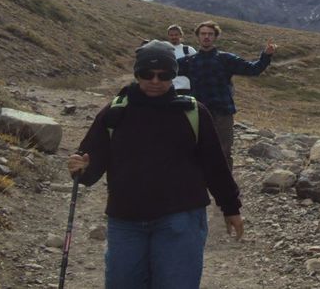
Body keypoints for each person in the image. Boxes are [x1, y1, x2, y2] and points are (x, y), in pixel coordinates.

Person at [67, 40, 243, 289]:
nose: (156, 81)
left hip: (182, 217)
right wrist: (81, 169)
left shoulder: (193, 112)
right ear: (137, 73)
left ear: (174, 75)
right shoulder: (115, 112)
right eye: (147, 74)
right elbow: (90, 163)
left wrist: (230, 207)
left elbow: (214, 165)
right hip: (126, 219)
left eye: (165, 75)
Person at [178, 20, 277, 170]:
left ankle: (226, 189)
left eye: (210, 34)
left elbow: (253, 69)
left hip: (222, 112)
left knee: (224, 151)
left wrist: (266, 56)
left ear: (215, 37)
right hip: (198, 112)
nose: (206, 37)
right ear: (197, 36)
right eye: (203, 34)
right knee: (196, 149)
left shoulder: (226, 59)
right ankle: (199, 187)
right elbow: (165, 70)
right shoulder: (188, 61)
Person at [166, 24, 196, 95]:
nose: (174, 37)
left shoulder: (188, 50)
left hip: (187, 89)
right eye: (171, 35)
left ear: (181, 35)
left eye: (176, 35)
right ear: (168, 36)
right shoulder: (164, 51)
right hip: (168, 89)